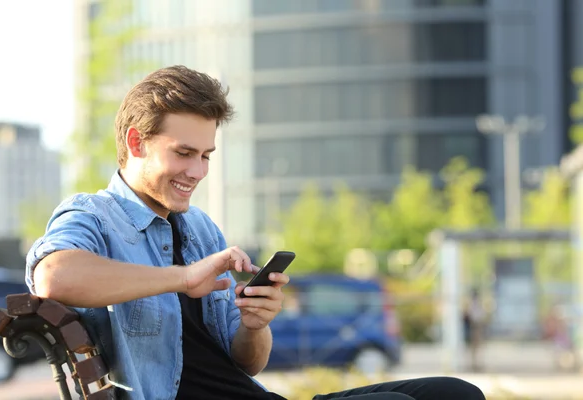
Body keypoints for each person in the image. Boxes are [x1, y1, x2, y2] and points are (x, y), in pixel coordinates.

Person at [26, 65, 485, 400]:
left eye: (206, 155)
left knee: (453, 394)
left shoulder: (200, 228)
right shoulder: (93, 214)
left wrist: (255, 324)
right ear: (135, 142)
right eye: (184, 152)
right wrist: (183, 278)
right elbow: (54, 277)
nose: (197, 171)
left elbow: (248, 362)